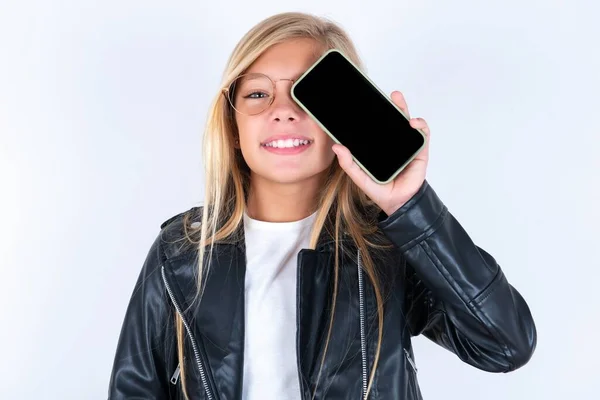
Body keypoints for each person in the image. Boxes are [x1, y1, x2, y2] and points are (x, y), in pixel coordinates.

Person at [108, 11, 536, 400]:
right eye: (258, 94)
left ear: (346, 118)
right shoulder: (181, 251)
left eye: (305, 94)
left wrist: (412, 207)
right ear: (233, 125)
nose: (282, 112)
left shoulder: (386, 245)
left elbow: (505, 345)